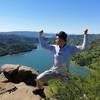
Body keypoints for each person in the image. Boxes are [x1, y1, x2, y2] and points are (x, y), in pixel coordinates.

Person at [33, 29, 88, 97]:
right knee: (39, 79)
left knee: (73, 89)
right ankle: (40, 90)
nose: (55, 40)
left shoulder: (70, 48)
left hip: (64, 74)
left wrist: (85, 34)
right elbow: (43, 45)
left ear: (62, 40)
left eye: (57, 39)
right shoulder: (54, 47)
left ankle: (81, 97)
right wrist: (40, 35)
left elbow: (84, 48)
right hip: (54, 71)